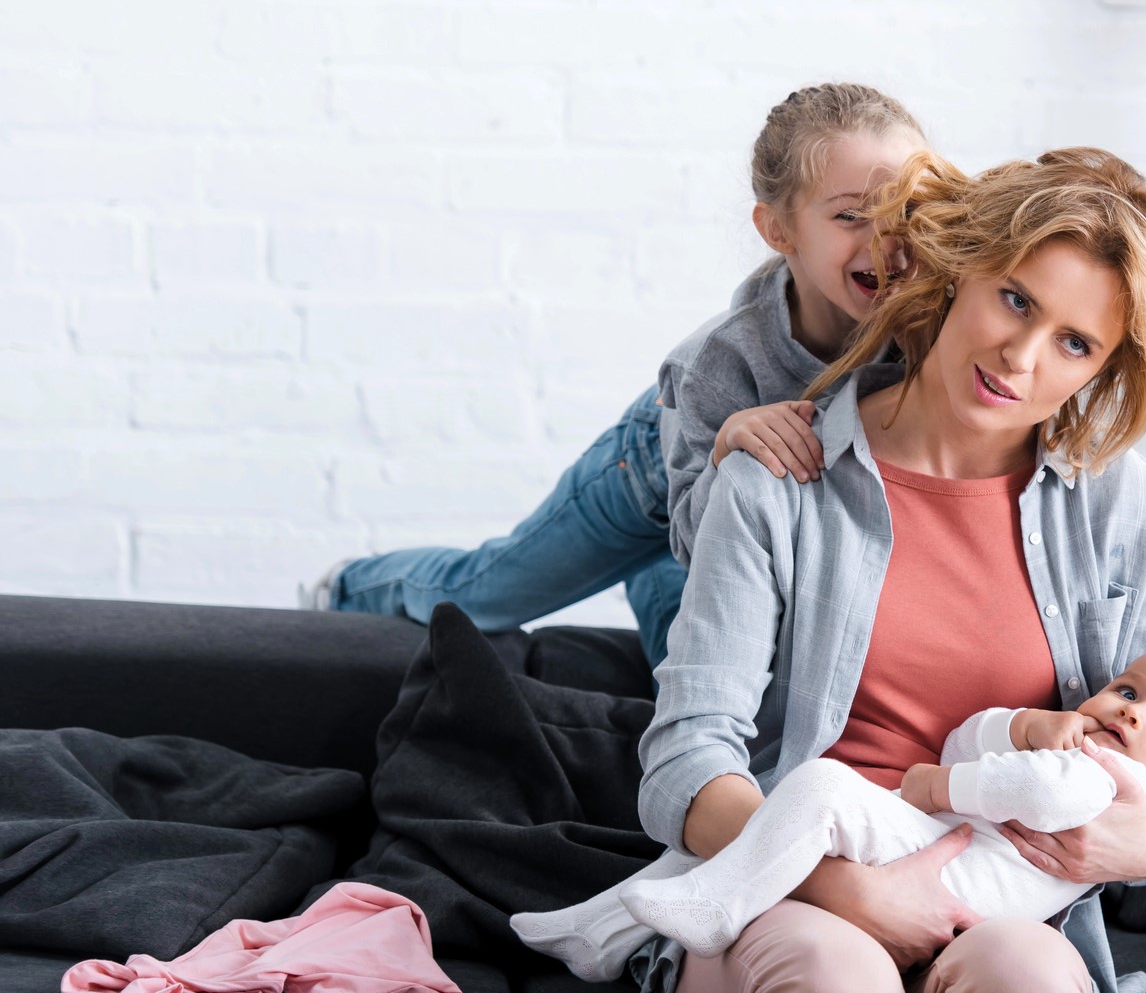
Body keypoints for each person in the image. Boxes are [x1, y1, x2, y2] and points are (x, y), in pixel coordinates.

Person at [627, 146, 1146, 993]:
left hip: (992, 913)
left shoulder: (1129, 512)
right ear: (961, 270)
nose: (1022, 359)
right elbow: (683, 762)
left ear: (1105, 368)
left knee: (1030, 979)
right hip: (783, 897)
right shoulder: (777, 476)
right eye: (1015, 301)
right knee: (835, 984)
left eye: (1074, 344)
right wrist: (842, 888)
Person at [308, 84, 925, 666]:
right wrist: (724, 453)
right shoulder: (716, 362)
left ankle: (645, 574)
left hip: (751, 515)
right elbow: (699, 542)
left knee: (684, 656)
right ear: (779, 229)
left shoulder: (933, 326)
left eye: (906, 209)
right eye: (851, 217)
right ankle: (348, 585)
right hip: (653, 476)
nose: (887, 240)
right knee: (488, 595)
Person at [521, 650, 1146, 969]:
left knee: (816, 791)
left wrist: (937, 788)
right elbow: (967, 746)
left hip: (957, 881)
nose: (1133, 713)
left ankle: (714, 913)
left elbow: (1036, 792)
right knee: (767, 825)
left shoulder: (1111, 783)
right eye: (1126, 688)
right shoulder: (1072, 741)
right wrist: (1020, 726)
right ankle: (596, 931)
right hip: (940, 847)